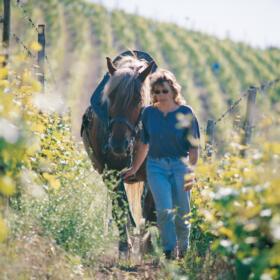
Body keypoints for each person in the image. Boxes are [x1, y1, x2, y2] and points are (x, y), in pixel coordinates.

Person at [122, 69, 200, 259]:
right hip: (156, 167)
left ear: (173, 91)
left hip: (180, 166)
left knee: (183, 211)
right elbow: (143, 144)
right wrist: (133, 168)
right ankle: (168, 250)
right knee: (164, 211)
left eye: (164, 91)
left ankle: (183, 248)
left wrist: (191, 171)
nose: (160, 95)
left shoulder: (185, 112)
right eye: (156, 92)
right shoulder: (148, 113)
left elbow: (194, 148)